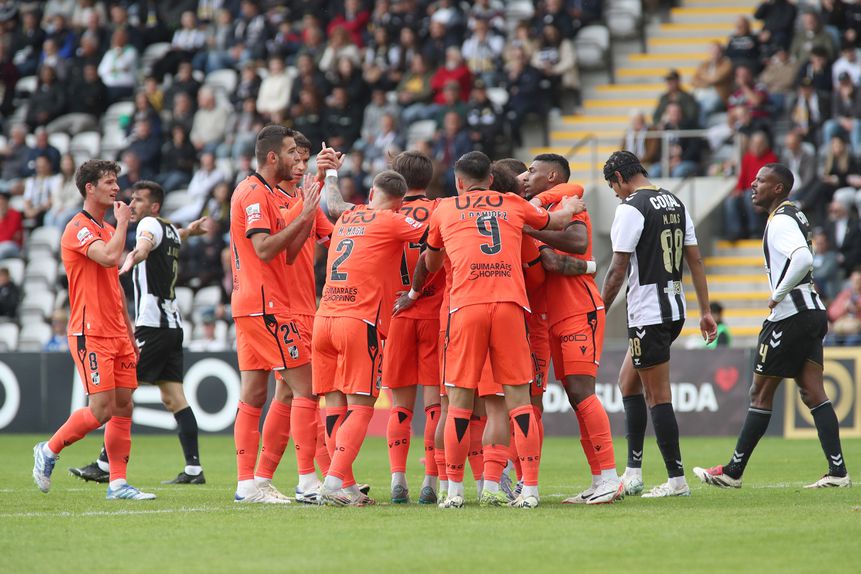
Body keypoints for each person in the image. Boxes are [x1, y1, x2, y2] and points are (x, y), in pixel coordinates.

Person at [405, 151, 584, 509]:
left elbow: (431, 260)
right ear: (490, 178)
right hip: (509, 306)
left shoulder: (445, 209)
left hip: (464, 308)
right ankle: (529, 489)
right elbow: (558, 220)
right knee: (518, 402)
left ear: (458, 182)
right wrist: (572, 202)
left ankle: (453, 492)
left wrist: (416, 287)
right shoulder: (513, 204)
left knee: (457, 404)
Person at [694, 163, 851, 489]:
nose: (753, 184)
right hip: (812, 312)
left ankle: (733, 472)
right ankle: (838, 472)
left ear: (777, 188)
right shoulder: (794, 214)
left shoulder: (780, 220)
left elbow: (804, 260)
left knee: (760, 392)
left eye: (761, 180)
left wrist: (777, 293)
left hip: (790, 315)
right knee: (813, 391)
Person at [67, 180, 209, 486]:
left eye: (140, 200)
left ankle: (105, 466)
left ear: (154, 207)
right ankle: (194, 470)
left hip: (151, 325)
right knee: (174, 397)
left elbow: (145, 244)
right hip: (173, 325)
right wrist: (191, 231)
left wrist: (132, 257)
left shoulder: (148, 224)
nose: (132, 204)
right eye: (132, 198)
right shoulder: (170, 229)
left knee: (121, 395)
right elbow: (172, 236)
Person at [31, 159, 155, 500]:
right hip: (91, 331)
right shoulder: (78, 228)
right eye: (109, 182)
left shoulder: (104, 228)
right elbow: (110, 258)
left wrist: (129, 334)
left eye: (116, 182)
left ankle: (117, 484)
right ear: (90, 187)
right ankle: (49, 449)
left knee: (124, 406)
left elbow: (115, 288)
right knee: (101, 410)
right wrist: (124, 223)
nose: (117, 188)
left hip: (117, 331)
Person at [600, 151, 717, 498]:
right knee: (627, 383)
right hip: (675, 307)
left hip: (648, 312)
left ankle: (676, 480)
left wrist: (597, 310)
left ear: (620, 177)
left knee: (656, 395)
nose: (616, 194)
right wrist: (705, 310)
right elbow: (694, 258)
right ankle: (633, 472)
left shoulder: (632, 207)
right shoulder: (675, 202)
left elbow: (618, 268)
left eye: (613, 187)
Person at [315, 168, 429, 506]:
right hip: (358, 321)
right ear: (399, 203)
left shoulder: (350, 214)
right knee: (362, 406)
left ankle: (345, 484)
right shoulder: (393, 220)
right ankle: (334, 482)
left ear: (370, 193)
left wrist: (331, 173)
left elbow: (332, 203)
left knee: (334, 406)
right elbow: (434, 235)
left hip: (325, 318)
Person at [229, 125, 323, 504]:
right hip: (267, 305)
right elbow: (265, 249)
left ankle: (247, 485)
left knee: (253, 394)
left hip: (254, 305)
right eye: (291, 153)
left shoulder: (270, 192)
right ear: (272, 157)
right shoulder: (253, 192)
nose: (298, 159)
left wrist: (308, 212)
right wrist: (304, 218)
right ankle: (307, 482)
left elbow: (288, 253)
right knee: (308, 388)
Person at [521, 154, 623, 505]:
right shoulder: (545, 208)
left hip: (579, 309)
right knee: (575, 396)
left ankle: (610, 477)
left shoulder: (568, 202)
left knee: (582, 393)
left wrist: (528, 227)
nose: (526, 176)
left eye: (532, 171)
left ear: (552, 176)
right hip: (556, 316)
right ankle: (600, 480)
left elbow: (577, 243)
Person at [368, 151, 446, 505]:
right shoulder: (443, 209)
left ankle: (398, 479)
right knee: (434, 407)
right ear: (428, 179)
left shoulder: (383, 214)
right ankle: (431, 480)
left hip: (397, 314)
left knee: (400, 407)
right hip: (435, 315)